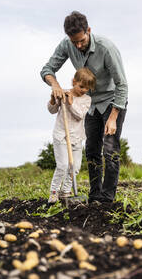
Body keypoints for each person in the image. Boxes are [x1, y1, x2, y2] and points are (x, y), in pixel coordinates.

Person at [40, 11, 128, 203]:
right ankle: (94, 195)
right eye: (74, 42)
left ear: (88, 30)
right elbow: (47, 70)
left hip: (112, 102)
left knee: (110, 149)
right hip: (89, 104)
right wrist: (55, 85)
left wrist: (113, 117)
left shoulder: (106, 48)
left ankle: (106, 199)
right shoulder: (67, 44)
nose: (78, 46)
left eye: (81, 41)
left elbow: (122, 85)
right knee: (91, 151)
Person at [47, 67, 95, 204]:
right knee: (62, 165)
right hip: (61, 135)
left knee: (75, 167)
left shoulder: (87, 100)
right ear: (74, 81)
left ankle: (66, 191)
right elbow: (52, 110)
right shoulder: (64, 93)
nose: (83, 90)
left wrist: (71, 103)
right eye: (81, 86)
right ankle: (54, 192)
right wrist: (53, 99)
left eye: (87, 88)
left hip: (77, 137)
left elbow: (80, 115)